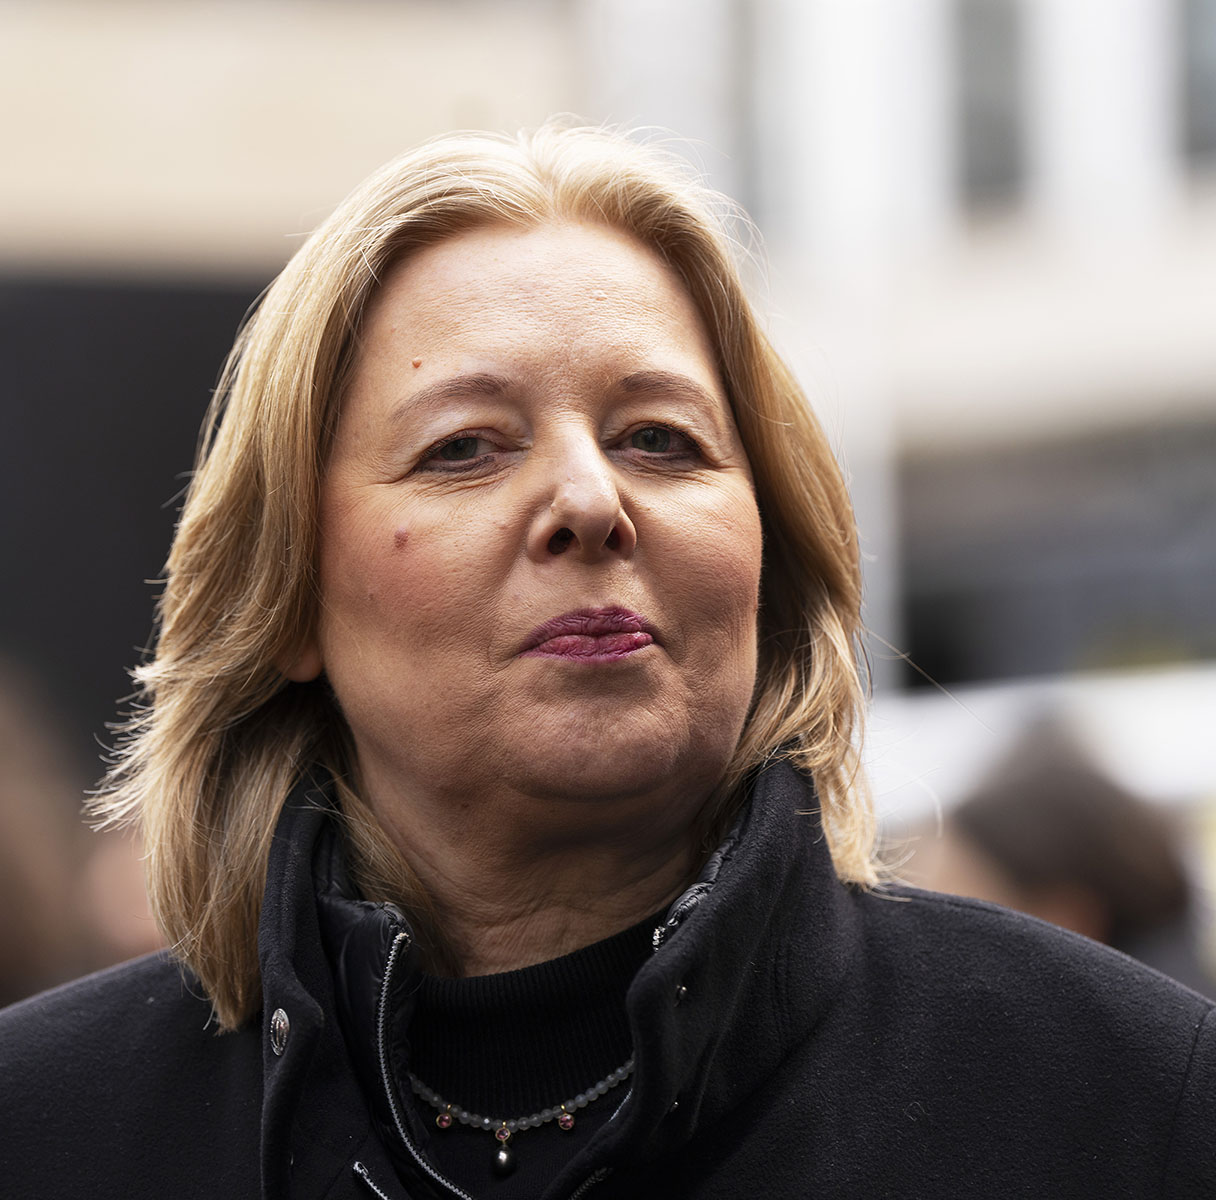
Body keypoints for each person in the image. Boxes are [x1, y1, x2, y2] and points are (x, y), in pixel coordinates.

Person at [0, 123, 1212, 1199]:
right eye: (465, 447)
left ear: (768, 557)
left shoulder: (1132, 1104)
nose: (589, 500)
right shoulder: (46, 1133)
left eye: (660, 439)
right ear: (289, 600)